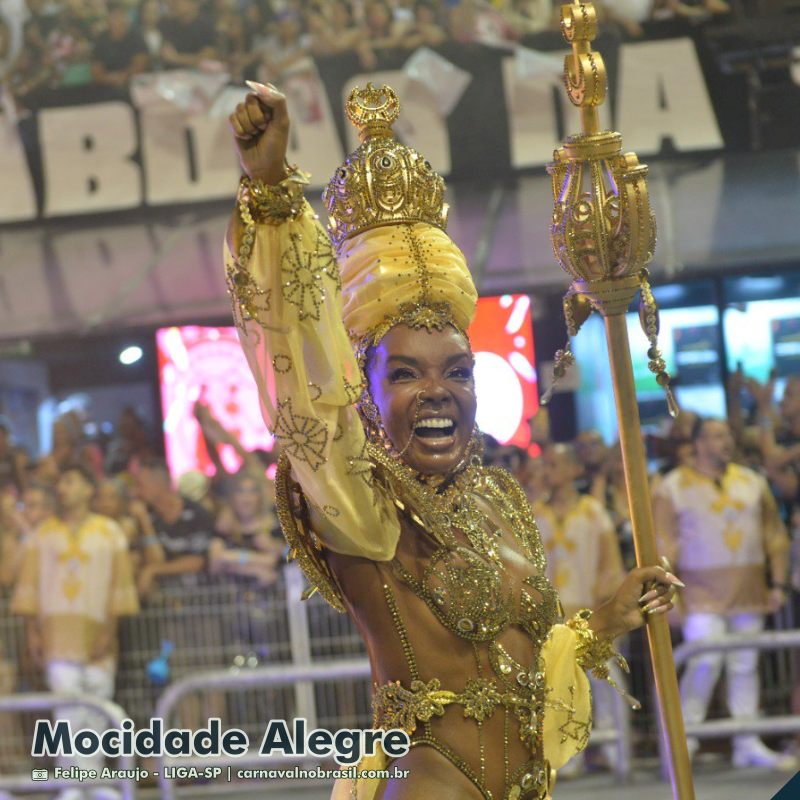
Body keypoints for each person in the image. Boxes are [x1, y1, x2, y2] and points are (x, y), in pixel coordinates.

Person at [225, 80, 679, 799]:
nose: (439, 391)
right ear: (365, 394)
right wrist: (272, 189)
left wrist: (607, 619)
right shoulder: (364, 509)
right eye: (405, 373)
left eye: (458, 372)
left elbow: (523, 660)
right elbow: (305, 374)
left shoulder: (497, 497)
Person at [654, 417, 795, 769]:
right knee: (704, 663)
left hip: (749, 590)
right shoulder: (672, 487)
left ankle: (746, 743)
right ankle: (683, 742)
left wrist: (777, 583)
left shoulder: (752, 481)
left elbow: (775, 537)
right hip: (699, 594)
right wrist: (669, 598)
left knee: (745, 665)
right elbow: (661, 547)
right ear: (698, 443)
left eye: (727, 434)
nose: (726, 441)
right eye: (717, 435)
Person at [11, 463, 139, 792]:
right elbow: (28, 588)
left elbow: (119, 588)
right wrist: (33, 633)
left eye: (70, 479)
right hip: (56, 638)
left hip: (98, 636)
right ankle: (75, 785)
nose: (63, 488)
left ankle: (90, 782)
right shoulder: (43, 534)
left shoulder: (110, 532)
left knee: (96, 709)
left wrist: (108, 635)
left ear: (87, 489)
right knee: (66, 711)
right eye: (61, 483)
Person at [533, 443, 629, 774]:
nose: (548, 472)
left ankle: (619, 749)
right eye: (545, 466)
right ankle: (565, 757)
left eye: (555, 465)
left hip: (589, 614)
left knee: (604, 681)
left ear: (575, 470)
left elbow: (611, 564)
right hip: (549, 620)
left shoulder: (592, 511)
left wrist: (607, 610)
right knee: (556, 688)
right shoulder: (534, 513)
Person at [132, 457, 214, 597]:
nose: (136, 492)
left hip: (199, 600)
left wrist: (153, 570)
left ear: (158, 484)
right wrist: (144, 522)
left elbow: (198, 560)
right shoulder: (145, 517)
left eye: (141, 485)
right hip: (162, 601)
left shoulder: (196, 512)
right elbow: (155, 561)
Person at [90, 0, 149, 87]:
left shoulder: (136, 36)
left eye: (121, 15)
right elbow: (96, 70)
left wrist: (123, 76)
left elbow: (141, 65)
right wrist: (110, 79)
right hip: (107, 86)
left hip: (133, 84)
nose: (118, 20)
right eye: (114, 16)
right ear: (108, 18)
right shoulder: (101, 39)